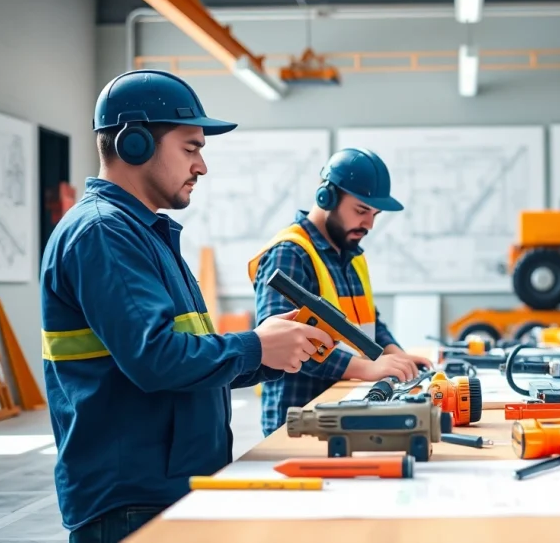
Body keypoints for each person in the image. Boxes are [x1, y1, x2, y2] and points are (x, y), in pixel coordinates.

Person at [40, 69, 334, 543]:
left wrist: (273, 352)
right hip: (133, 500)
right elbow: (156, 360)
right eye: (191, 148)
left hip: (166, 486)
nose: (202, 166)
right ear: (134, 143)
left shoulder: (143, 234)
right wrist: (255, 347)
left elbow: (185, 358)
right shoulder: (104, 233)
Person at [248, 147, 433, 437]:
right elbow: (283, 343)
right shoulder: (290, 254)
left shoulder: (351, 254)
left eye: (375, 214)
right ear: (327, 198)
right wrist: (366, 369)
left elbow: (369, 322)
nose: (369, 225)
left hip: (346, 404)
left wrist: (396, 354)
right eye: (361, 211)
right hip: (300, 417)